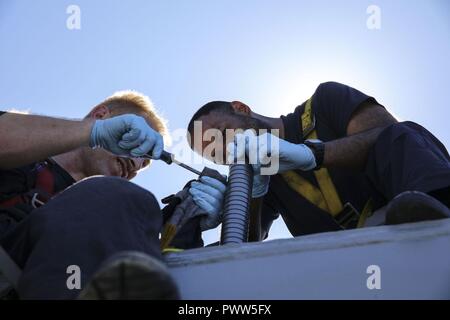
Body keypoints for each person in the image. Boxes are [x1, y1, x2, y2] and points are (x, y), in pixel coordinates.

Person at [0, 91, 226, 299]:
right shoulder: (21, 147)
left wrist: (187, 225)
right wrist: (93, 131)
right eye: (139, 143)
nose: (136, 164)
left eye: (145, 162)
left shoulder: (113, 214)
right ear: (100, 115)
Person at [186, 82, 450, 241]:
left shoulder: (324, 102)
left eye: (222, 133)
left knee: (403, 133)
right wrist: (253, 196)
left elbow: (386, 134)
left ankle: (439, 208)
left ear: (241, 109)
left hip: (409, 214)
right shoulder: (261, 178)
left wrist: (312, 155)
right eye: (217, 155)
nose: (228, 149)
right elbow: (246, 243)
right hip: (345, 264)